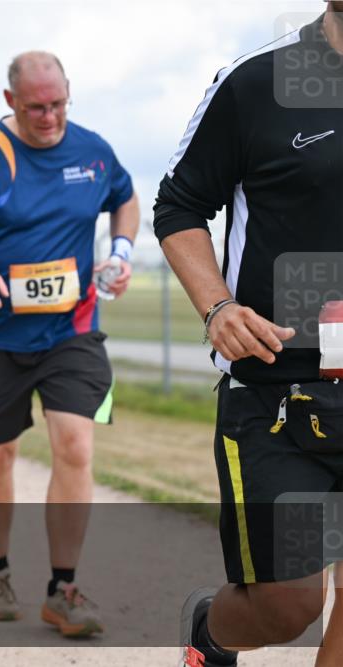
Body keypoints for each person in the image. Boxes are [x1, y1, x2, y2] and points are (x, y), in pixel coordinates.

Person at [0, 51, 139, 636]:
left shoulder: (92, 150)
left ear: (70, 94)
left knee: (75, 447)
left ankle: (62, 589)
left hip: (72, 329)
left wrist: (120, 251)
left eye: (59, 104)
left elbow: (126, 197)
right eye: (37, 107)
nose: (49, 117)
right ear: (10, 100)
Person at [153, 5, 343, 666]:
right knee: (287, 606)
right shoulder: (257, 83)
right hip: (276, 392)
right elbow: (178, 204)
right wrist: (217, 307)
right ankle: (212, 631)